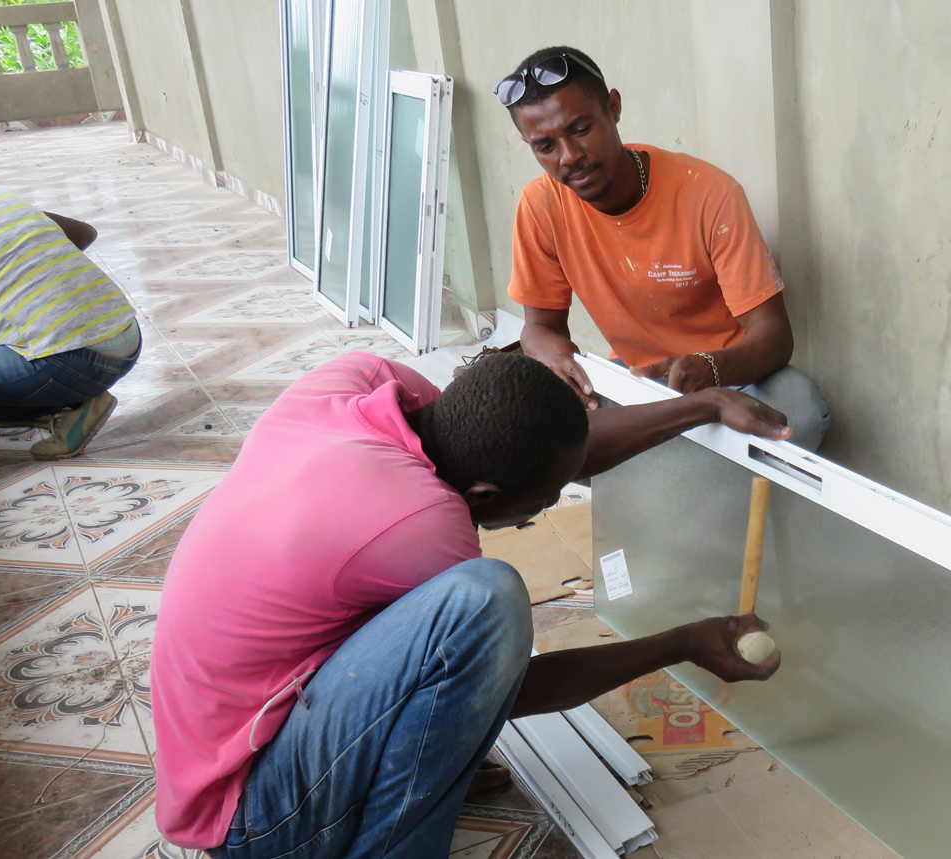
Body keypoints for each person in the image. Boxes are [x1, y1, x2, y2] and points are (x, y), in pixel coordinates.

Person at [151, 350, 788, 856]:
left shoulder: (362, 382)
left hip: (215, 759)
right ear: (482, 493)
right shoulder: (422, 523)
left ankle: (371, 782)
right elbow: (515, 691)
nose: (546, 508)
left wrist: (701, 405)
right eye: (545, 499)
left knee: (446, 628)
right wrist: (681, 644)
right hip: (253, 818)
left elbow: (548, 447)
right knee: (485, 601)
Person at [499, 46, 832, 451]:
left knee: (800, 415)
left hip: (735, 372)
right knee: (541, 436)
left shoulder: (708, 194)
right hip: (642, 382)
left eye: (581, 129)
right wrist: (564, 365)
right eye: (545, 146)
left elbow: (775, 337)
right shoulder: (541, 205)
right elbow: (540, 328)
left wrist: (708, 368)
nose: (570, 157)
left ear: (613, 107)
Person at [0, 184, 139, 459]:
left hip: (68, 361)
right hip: (125, 337)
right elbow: (84, 233)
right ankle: (62, 402)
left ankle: (53, 407)